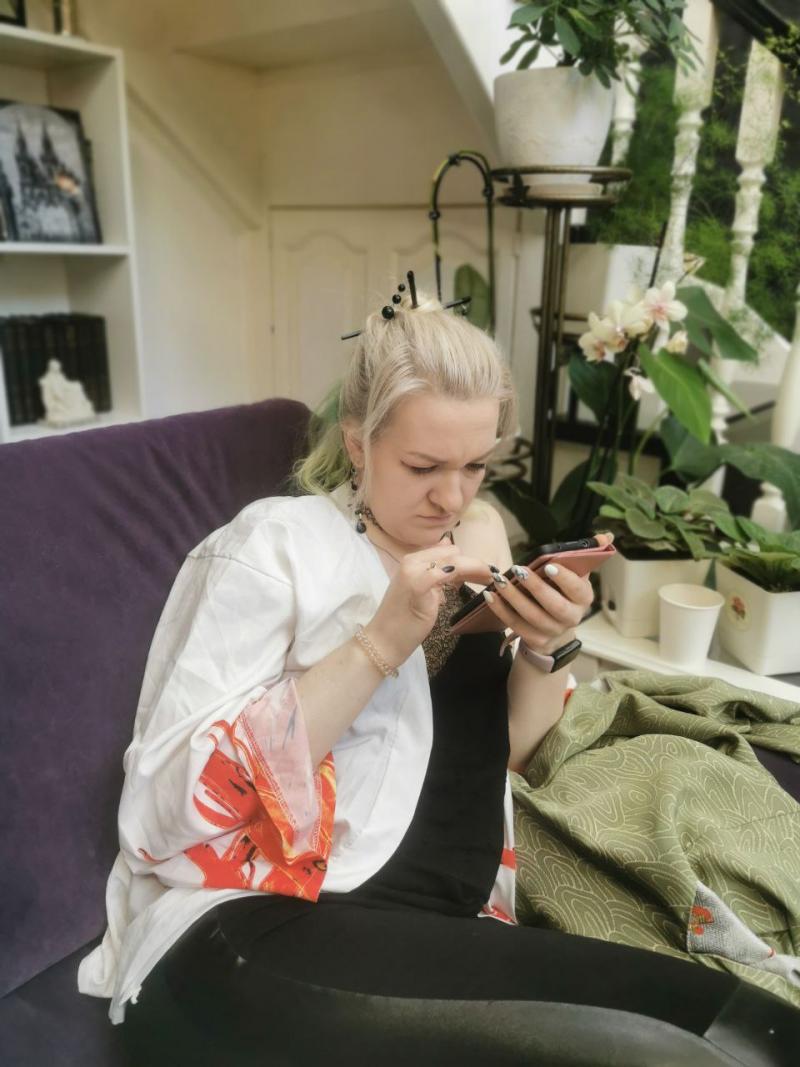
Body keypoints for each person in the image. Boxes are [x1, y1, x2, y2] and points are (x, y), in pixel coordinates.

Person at [79, 278, 800, 1066]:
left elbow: (514, 755)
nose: (451, 496)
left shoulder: (472, 547)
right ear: (358, 444)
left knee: (750, 1026)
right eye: (423, 465)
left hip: (445, 924)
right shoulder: (273, 547)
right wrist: (377, 646)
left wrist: (544, 642)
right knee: (695, 1051)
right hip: (261, 925)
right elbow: (161, 811)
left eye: (476, 466)